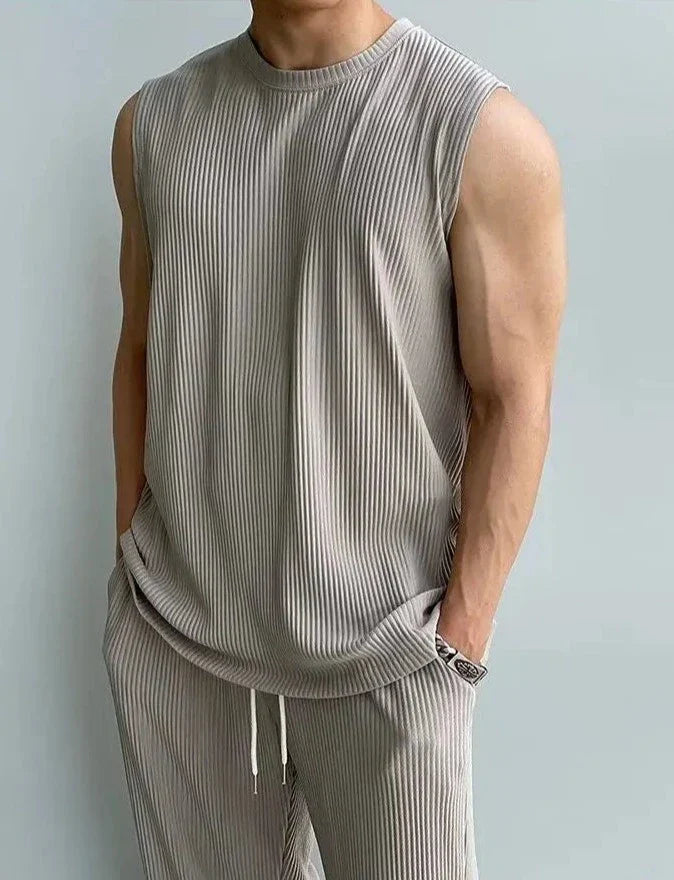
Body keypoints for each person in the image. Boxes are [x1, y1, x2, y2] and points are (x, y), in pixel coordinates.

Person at [103, 2, 566, 878]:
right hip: (180, 641)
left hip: (387, 651)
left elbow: (516, 399)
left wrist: (456, 641)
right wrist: (131, 554)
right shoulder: (153, 124)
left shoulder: (479, 131)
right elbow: (139, 348)